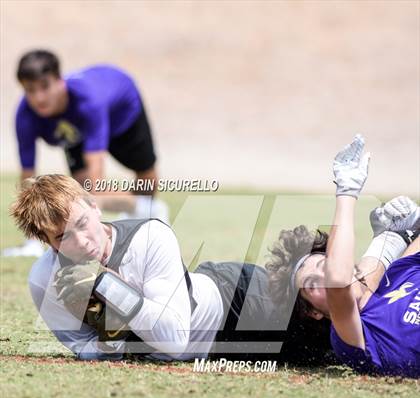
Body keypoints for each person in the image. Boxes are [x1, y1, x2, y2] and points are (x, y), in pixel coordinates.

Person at [10, 174, 333, 365]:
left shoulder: (150, 236)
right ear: (46, 242)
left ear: (95, 207)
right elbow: (84, 348)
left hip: (239, 307)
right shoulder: (44, 280)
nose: (82, 240)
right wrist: (112, 339)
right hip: (210, 345)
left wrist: (109, 288)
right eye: (63, 236)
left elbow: (175, 341)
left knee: (337, 327)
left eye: (82, 223)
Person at [266, 135, 420, 378]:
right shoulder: (351, 336)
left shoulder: (400, 272)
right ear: (313, 312)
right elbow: (338, 281)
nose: (325, 274)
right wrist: (347, 191)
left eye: (323, 264)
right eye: (312, 283)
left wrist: (406, 227)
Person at [5, 49, 168, 257]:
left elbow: (97, 180)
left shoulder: (89, 102)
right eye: (30, 90)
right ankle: (145, 211)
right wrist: (32, 240)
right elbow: (27, 178)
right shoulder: (25, 116)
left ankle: (151, 210)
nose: (39, 97)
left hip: (122, 112)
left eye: (45, 86)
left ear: (60, 82)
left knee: (145, 182)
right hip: (73, 127)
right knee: (84, 188)